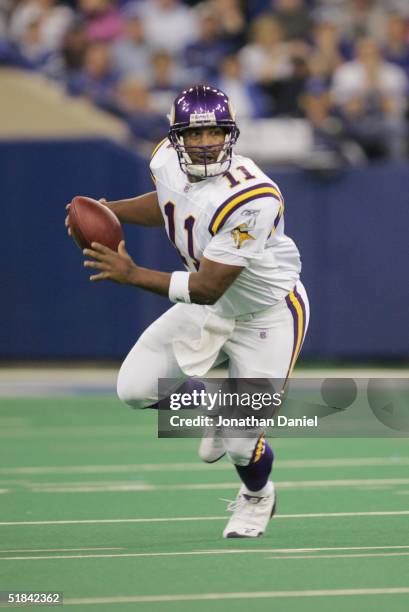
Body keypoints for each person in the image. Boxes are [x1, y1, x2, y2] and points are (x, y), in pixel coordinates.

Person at [65, 85, 309, 538]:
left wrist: (133, 273)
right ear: (176, 138)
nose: (204, 143)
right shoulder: (164, 160)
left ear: (230, 133)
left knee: (240, 442)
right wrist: (105, 211)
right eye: (193, 136)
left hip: (265, 314)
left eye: (214, 132)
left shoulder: (254, 196)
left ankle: (257, 497)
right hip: (206, 305)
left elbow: (209, 284)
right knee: (135, 387)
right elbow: (167, 205)